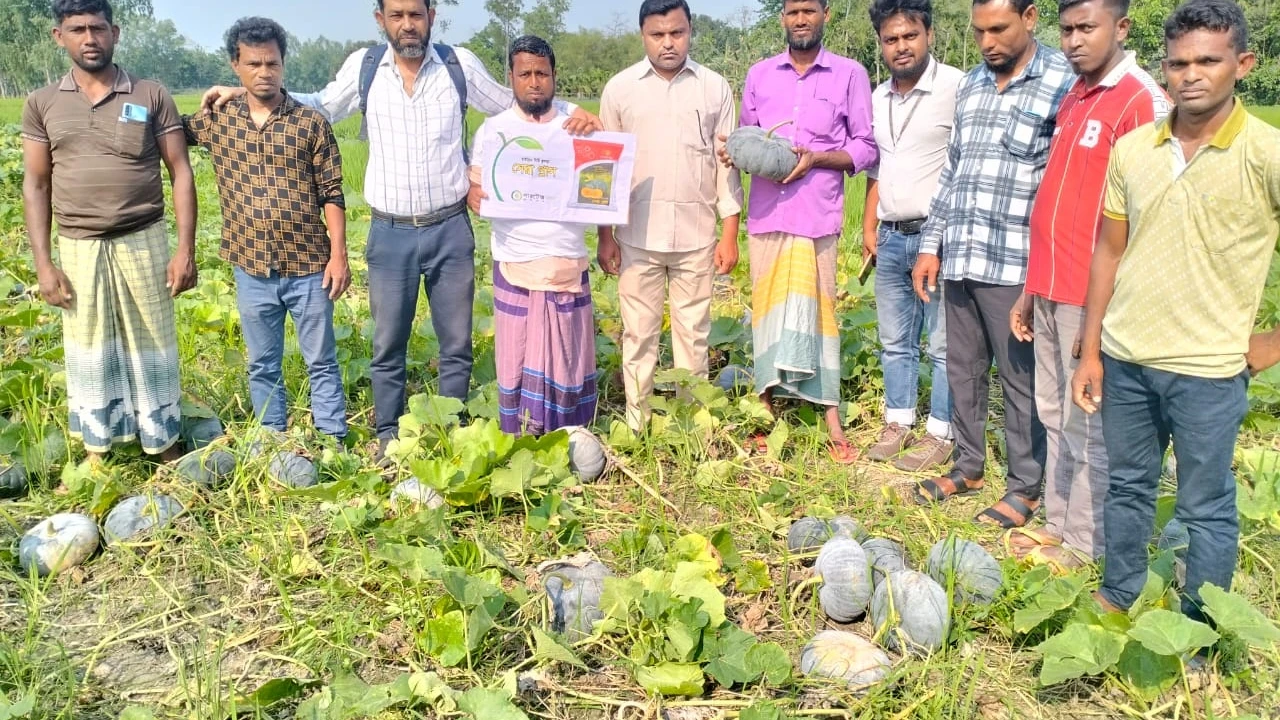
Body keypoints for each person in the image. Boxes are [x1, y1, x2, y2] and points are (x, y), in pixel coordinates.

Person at [200, 0, 600, 460]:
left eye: (416, 14)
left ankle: (450, 429)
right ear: (381, 20)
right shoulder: (366, 68)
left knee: (456, 343)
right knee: (388, 342)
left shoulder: (458, 65)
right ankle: (387, 432)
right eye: (397, 15)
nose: (407, 24)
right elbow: (320, 105)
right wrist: (249, 91)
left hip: (449, 229)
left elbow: (519, 100)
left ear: (432, 16)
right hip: (389, 233)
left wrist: (577, 113)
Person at [1073, 0, 1280, 623]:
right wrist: (1090, 351)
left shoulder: (1266, 153)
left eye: (1208, 61)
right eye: (1178, 63)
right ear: (1164, 68)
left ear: (1242, 64)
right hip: (1127, 358)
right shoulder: (1135, 148)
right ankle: (1118, 594)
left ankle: (1198, 629)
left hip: (1209, 371)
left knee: (1205, 506)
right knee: (1128, 486)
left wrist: (1275, 342)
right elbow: (1109, 251)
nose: (1191, 75)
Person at [1006, 0, 1169, 569]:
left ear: (1121, 28)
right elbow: (1056, 200)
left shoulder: (1141, 100)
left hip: (1091, 296)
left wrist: (1106, 313)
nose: (1074, 40)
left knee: (1088, 423)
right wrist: (1031, 286)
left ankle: (1082, 544)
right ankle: (1057, 524)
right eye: (1067, 29)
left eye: (1087, 28)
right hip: (1051, 286)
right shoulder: (1075, 95)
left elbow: (1149, 216)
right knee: (1054, 413)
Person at [909, 0, 1073, 525]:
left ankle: (1026, 486)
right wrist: (932, 244)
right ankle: (969, 466)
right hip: (963, 253)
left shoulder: (1062, 81)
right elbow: (954, 170)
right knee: (964, 369)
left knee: (1020, 379)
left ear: (1030, 17)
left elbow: (1062, 184)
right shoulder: (973, 84)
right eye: (979, 31)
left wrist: (1044, 269)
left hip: (1016, 264)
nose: (987, 42)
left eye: (998, 29)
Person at [22, 0, 197, 464]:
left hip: (143, 237)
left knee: (153, 341)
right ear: (59, 37)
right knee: (89, 345)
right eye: (77, 29)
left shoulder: (149, 94)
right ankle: (97, 448)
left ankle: (164, 443)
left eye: (98, 28)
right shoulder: (42, 103)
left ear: (114, 33)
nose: (89, 38)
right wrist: (43, 264)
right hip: (78, 245)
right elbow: (36, 184)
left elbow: (180, 171)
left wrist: (185, 249)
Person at [722, 0, 877, 463]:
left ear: (825, 13)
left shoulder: (850, 74)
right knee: (767, 310)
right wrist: (735, 150)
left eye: (809, 9)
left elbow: (865, 147)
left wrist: (817, 158)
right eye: (792, 11)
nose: (801, 19)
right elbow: (748, 136)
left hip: (817, 215)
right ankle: (765, 407)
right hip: (767, 213)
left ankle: (830, 415)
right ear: (783, 18)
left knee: (821, 313)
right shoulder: (759, 74)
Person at [184, 17, 351, 442]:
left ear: (283, 64)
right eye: (253, 64)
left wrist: (339, 256)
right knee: (262, 363)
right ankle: (271, 439)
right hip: (251, 266)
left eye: (272, 63)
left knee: (321, 360)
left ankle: (333, 439)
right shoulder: (217, 120)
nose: (264, 72)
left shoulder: (310, 123)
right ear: (235, 66)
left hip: (309, 264)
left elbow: (332, 193)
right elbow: (168, 131)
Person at [596, 0, 744, 432]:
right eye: (657, 34)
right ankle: (637, 421)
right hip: (635, 235)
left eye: (676, 33)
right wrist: (605, 236)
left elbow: (726, 165)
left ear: (690, 31)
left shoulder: (714, 88)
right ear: (643, 35)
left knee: (693, 333)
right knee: (638, 334)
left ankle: (689, 423)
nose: (668, 43)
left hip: (696, 235)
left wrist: (730, 233)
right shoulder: (620, 89)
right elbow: (604, 170)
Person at [467, 36, 597, 436]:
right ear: (511, 77)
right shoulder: (494, 132)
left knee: (568, 358)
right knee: (517, 359)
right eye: (525, 74)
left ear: (554, 76)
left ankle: (570, 437)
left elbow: (605, 182)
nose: (534, 82)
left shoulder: (577, 126)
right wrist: (474, 194)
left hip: (566, 260)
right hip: (515, 261)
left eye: (542, 73)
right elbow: (476, 187)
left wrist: (593, 125)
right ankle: (521, 440)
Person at [861, 0, 964, 472]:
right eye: (891, 39)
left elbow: (964, 166)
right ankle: (898, 421)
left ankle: (940, 432)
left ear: (929, 35)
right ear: (881, 44)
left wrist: (941, 240)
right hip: (890, 235)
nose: (901, 47)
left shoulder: (955, 87)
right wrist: (869, 227)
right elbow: (878, 167)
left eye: (910, 36)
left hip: (936, 236)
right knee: (895, 339)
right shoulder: (878, 97)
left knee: (943, 342)